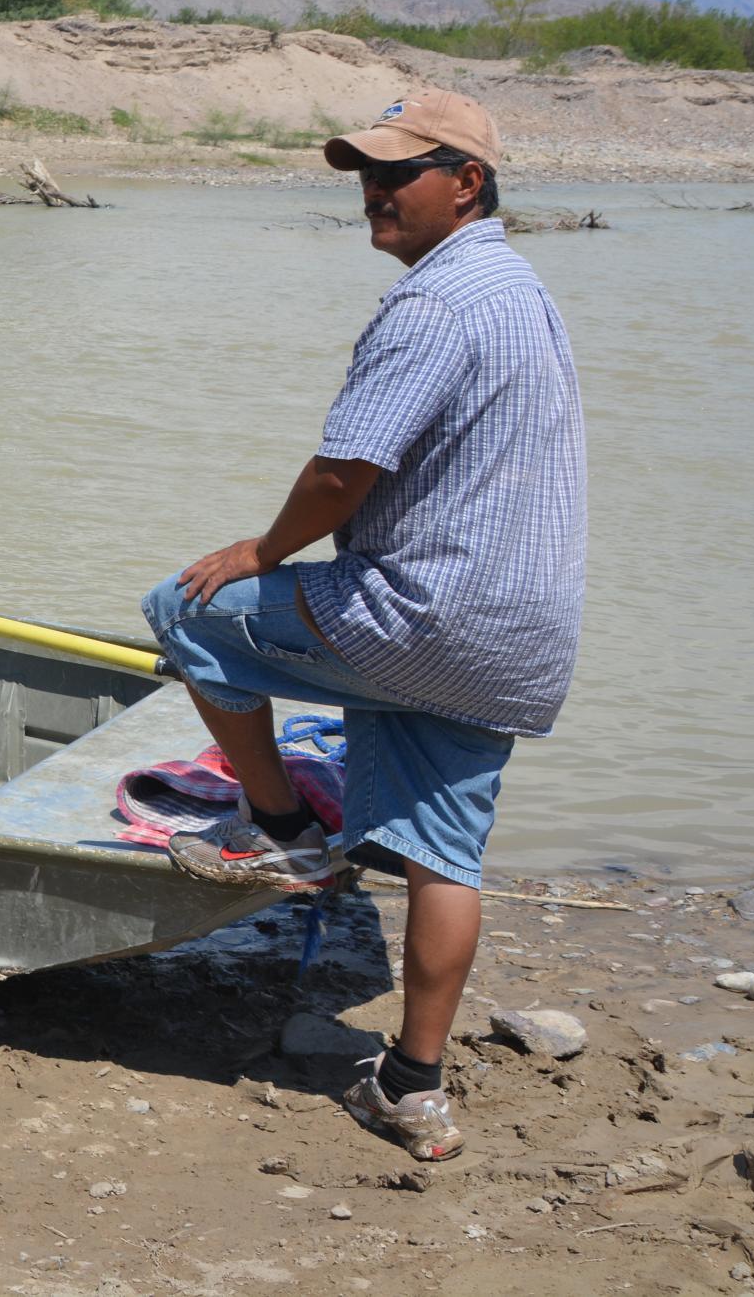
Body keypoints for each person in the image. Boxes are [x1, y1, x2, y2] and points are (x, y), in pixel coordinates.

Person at [140, 89, 586, 1163]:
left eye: (397, 173)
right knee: (445, 854)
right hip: (516, 640)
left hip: (420, 615)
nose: (373, 193)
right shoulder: (518, 286)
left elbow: (344, 470)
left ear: (465, 181)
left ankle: (283, 833)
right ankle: (411, 1086)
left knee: (184, 609)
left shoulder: (433, 305)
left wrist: (263, 550)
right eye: (363, 174)